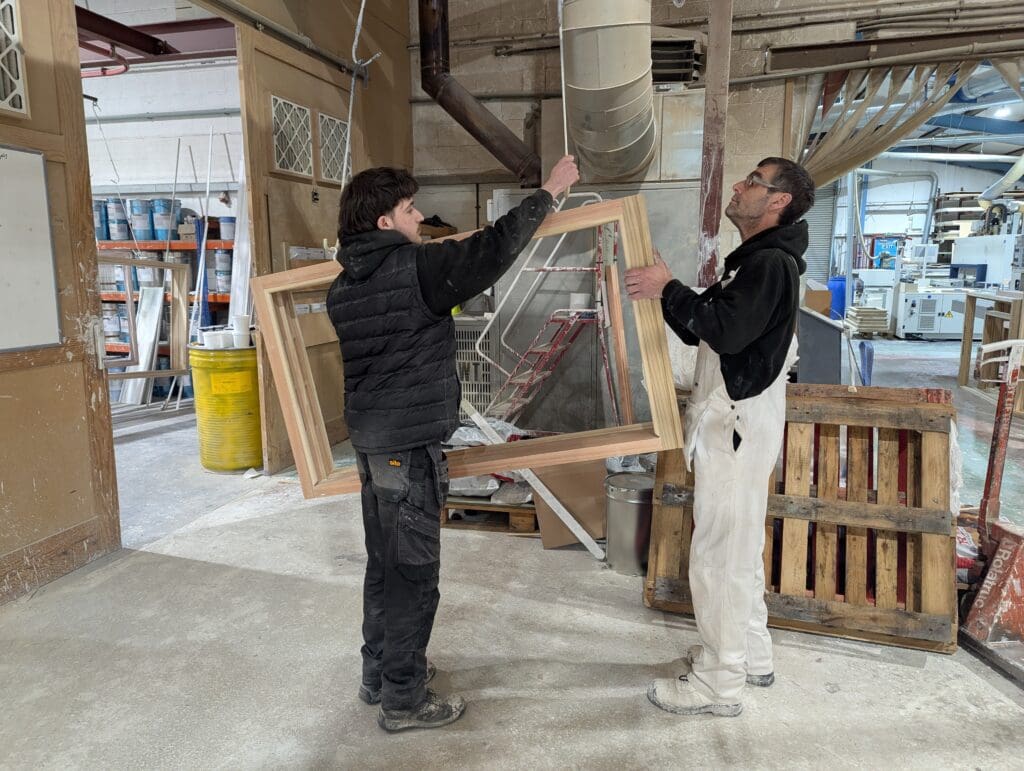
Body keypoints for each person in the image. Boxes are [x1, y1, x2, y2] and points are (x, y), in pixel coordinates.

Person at [326, 155, 580, 732]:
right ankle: (405, 700)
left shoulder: (344, 285)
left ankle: (380, 674)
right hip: (407, 448)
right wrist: (548, 193)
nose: (419, 218)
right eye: (409, 209)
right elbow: (493, 248)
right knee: (414, 573)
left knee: (384, 565)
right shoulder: (415, 269)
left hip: (371, 444)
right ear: (385, 223)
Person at [624, 157, 815, 717]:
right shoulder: (755, 264)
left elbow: (726, 331)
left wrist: (671, 287)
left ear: (777, 201)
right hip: (740, 424)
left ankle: (717, 683)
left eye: (753, 181)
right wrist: (667, 293)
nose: (739, 186)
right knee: (738, 549)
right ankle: (749, 655)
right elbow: (707, 320)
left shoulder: (770, 264)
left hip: (735, 426)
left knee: (718, 557)